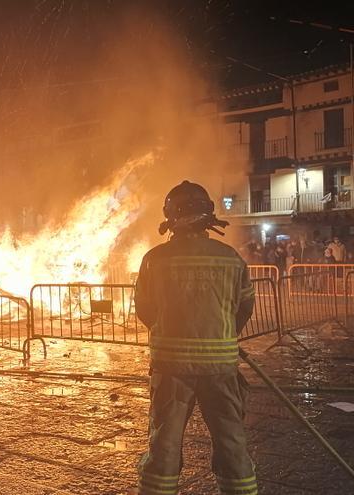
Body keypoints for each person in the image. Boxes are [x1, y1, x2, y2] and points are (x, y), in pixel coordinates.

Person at [134, 181, 257, 495]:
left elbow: (144, 310)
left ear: (170, 215)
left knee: (164, 443)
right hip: (220, 368)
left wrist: (171, 331)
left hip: (171, 369)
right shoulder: (231, 257)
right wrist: (219, 334)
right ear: (209, 215)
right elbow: (244, 308)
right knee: (232, 442)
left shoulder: (154, 259)